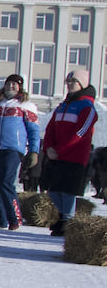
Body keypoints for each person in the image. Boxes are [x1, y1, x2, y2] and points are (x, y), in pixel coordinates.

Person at [0, 73, 40, 230]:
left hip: (13, 149)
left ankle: (15, 218)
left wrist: (34, 151)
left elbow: (34, 131)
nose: (10, 87)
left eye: (14, 85)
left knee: (5, 182)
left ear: (20, 87)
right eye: (8, 84)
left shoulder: (26, 106)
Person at [40, 68, 98, 236]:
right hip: (56, 156)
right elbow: (50, 128)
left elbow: (80, 133)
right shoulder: (63, 106)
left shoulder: (87, 107)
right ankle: (62, 217)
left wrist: (59, 150)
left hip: (74, 157)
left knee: (68, 191)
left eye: (73, 82)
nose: (70, 85)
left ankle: (68, 220)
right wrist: (48, 147)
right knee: (53, 190)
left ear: (82, 84)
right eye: (68, 82)